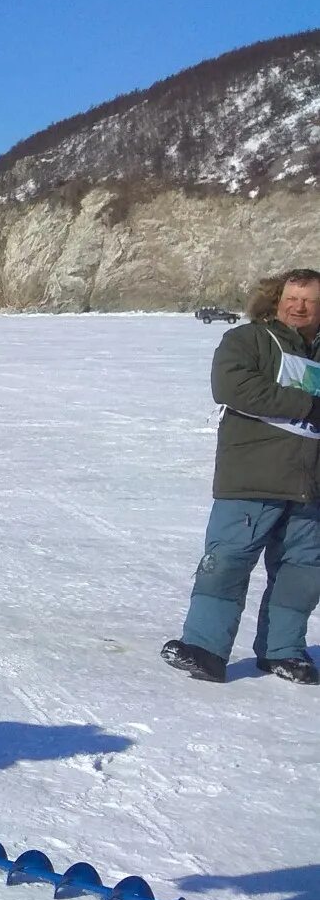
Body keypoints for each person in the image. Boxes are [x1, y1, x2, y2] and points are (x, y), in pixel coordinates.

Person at [163, 268, 320, 685]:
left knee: (302, 571)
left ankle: (283, 652)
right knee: (227, 561)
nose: (300, 307)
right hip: (253, 474)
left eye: (310, 300)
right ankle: (204, 648)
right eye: (292, 298)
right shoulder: (247, 340)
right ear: (276, 300)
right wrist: (308, 406)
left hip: (312, 484)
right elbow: (232, 386)